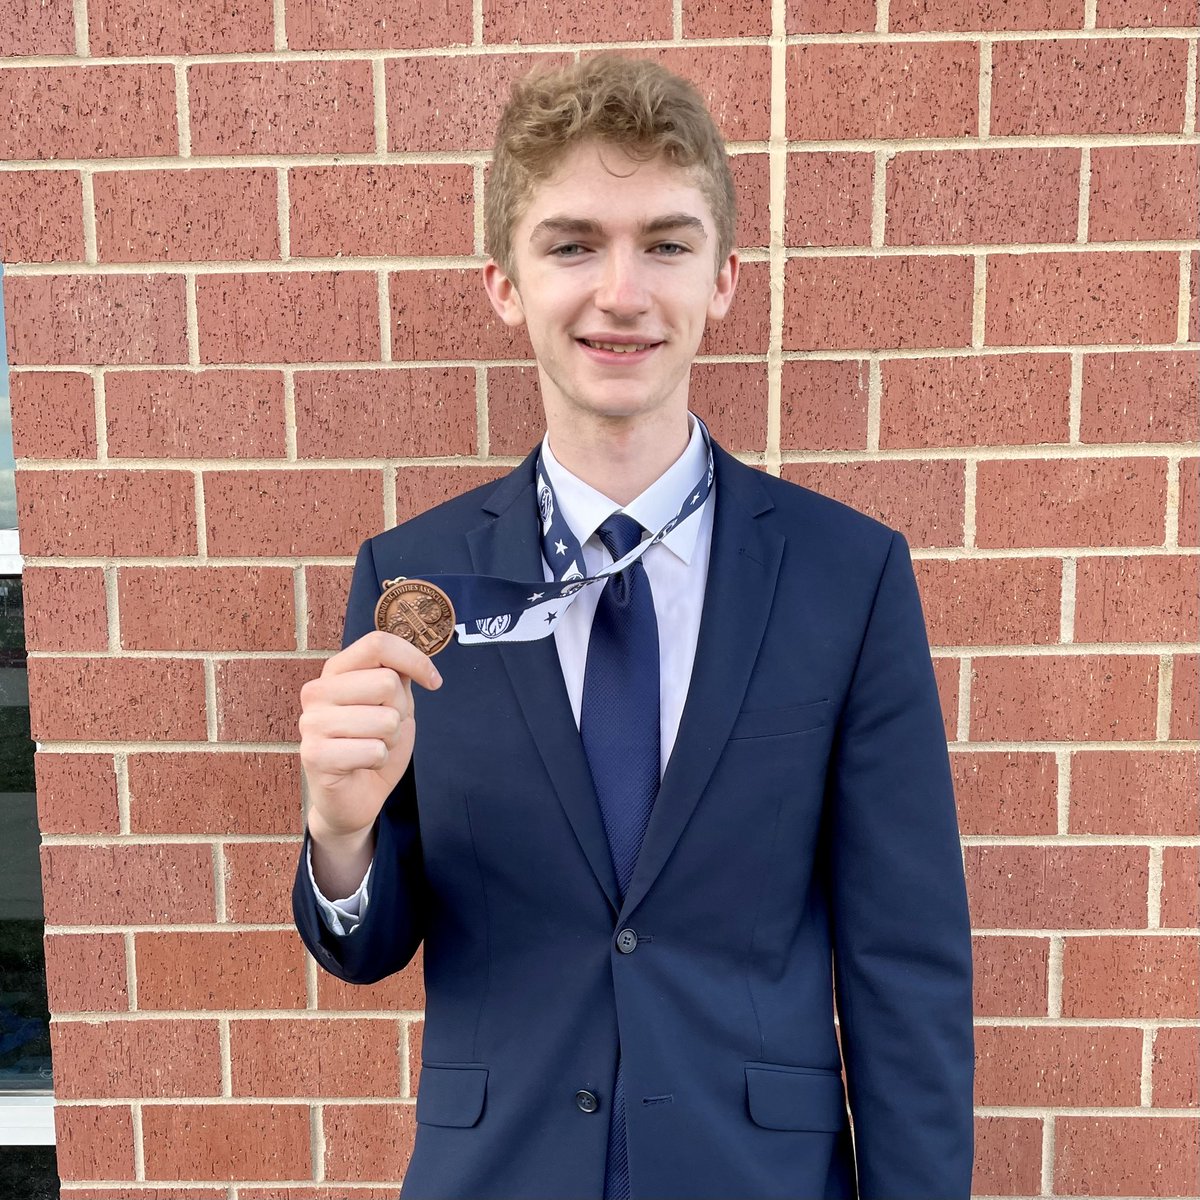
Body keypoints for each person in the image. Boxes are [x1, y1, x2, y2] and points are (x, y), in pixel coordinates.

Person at [293, 53, 974, 1200]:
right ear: (506, 284)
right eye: (571, 245)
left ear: (724, 279)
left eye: (665, 243)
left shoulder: (847, 577)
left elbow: (905, 964)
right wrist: (342, 840)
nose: (621, 292)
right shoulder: (412, 579)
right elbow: (367, 946)